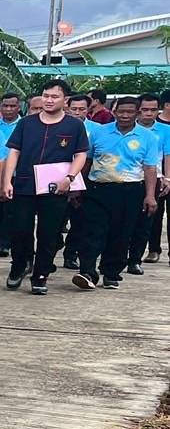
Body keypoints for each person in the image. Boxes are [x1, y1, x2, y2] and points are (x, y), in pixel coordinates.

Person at [0, 80, 90, 295]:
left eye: (54, 97)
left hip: (56, 187)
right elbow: (14, 151)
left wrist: (70, 178)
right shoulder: (27, 123)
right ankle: (18, 266)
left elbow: (80, 154)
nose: (49, 100)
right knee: (20, 229)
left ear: (65, 100)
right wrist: (6, 181)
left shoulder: (74, 125)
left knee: (48, 233)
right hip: (24, 184)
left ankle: (40, 275)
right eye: (46, 95)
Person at [77, 96, 159, 288]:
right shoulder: (98, 132)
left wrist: (150, 195)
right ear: (114, 112)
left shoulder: (148, 137)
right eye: (121, 111)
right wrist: (79, 187)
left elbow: (149, 168)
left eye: (130, 112)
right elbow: (86, 161)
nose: (124, 115)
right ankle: (87, 272)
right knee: (93, 232)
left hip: (130, 191)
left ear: (137, 113)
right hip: (98, 189)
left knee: (121, 233)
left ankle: (111, 272)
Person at [0, 93, 23, 258]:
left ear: (18, 107)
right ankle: (1, 242)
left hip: (18, 174)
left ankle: (9, 243)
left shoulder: (24, 125)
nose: (8, 109)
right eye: (5, 106)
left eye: (12, 106)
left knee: (14, 211)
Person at [135, 92, 167, 264]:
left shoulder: (164, 130)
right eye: (145, 110)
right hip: (130, 178)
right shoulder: (127, 127)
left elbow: (168, 155)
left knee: (154, 215)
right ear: (138, 110)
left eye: (153, 110)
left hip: (156, 177)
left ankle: (154, 249)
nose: (148, 113)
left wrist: (167, 178)